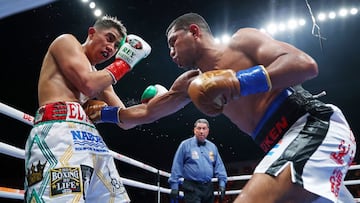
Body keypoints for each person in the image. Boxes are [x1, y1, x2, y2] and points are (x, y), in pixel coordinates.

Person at [85, 13, 356, 202]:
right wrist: (105, 113)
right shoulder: (191, 83)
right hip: (281, 141)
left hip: (312, 125)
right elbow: (143, 114)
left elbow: (305, 65)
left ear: (194, 32)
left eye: (173, 42)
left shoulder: (242, 41)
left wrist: (237, 82)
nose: (171, 52)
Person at [24, 15, 151, 203]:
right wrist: (124, 63)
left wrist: (153, 106)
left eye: (117, 46)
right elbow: (87, 85)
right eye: (109, 38)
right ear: (92, 33)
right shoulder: (66, 42)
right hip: (58, 132)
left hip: (91, 139)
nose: (112, 47)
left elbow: (124, 119)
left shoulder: (101, 78)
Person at [168, 118, 227, 203]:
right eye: (199, 128)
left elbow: (219, 166)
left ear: (208, 131)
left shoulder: (212, 147)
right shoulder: (185, 145)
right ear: (194, 130)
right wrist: (174, 186)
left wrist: (222, 185)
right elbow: (177, 165)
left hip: (208, 187)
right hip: (191, 187)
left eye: (204, 128)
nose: (201, 131)